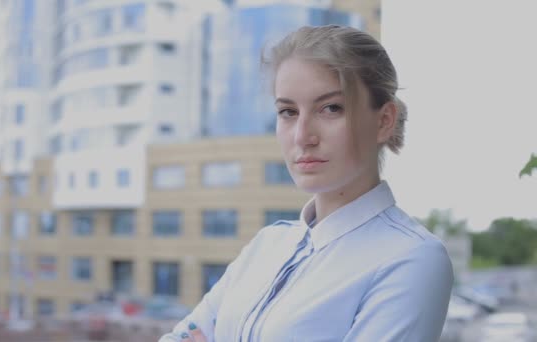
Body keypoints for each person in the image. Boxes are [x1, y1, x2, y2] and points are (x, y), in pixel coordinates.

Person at [159, 25, 453, 342]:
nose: (302, 136)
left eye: (330, 108)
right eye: (287, 111)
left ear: (384, 121)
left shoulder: (411, 258)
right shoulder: (267, 244)